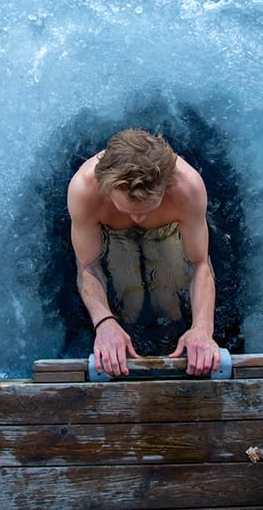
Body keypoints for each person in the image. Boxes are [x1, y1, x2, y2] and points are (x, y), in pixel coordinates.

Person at [67, 129, 221, 377]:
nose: (138, 219)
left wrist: (202, 329)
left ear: (166, 187)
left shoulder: (187, 187)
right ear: (107, 190)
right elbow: (88, 267)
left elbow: (200, 263)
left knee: (171, 308)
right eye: (127, 210)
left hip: (166, 230)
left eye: (149, 208)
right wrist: (104, 323)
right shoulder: (84, 190)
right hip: (114, 234)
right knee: (128, 308)